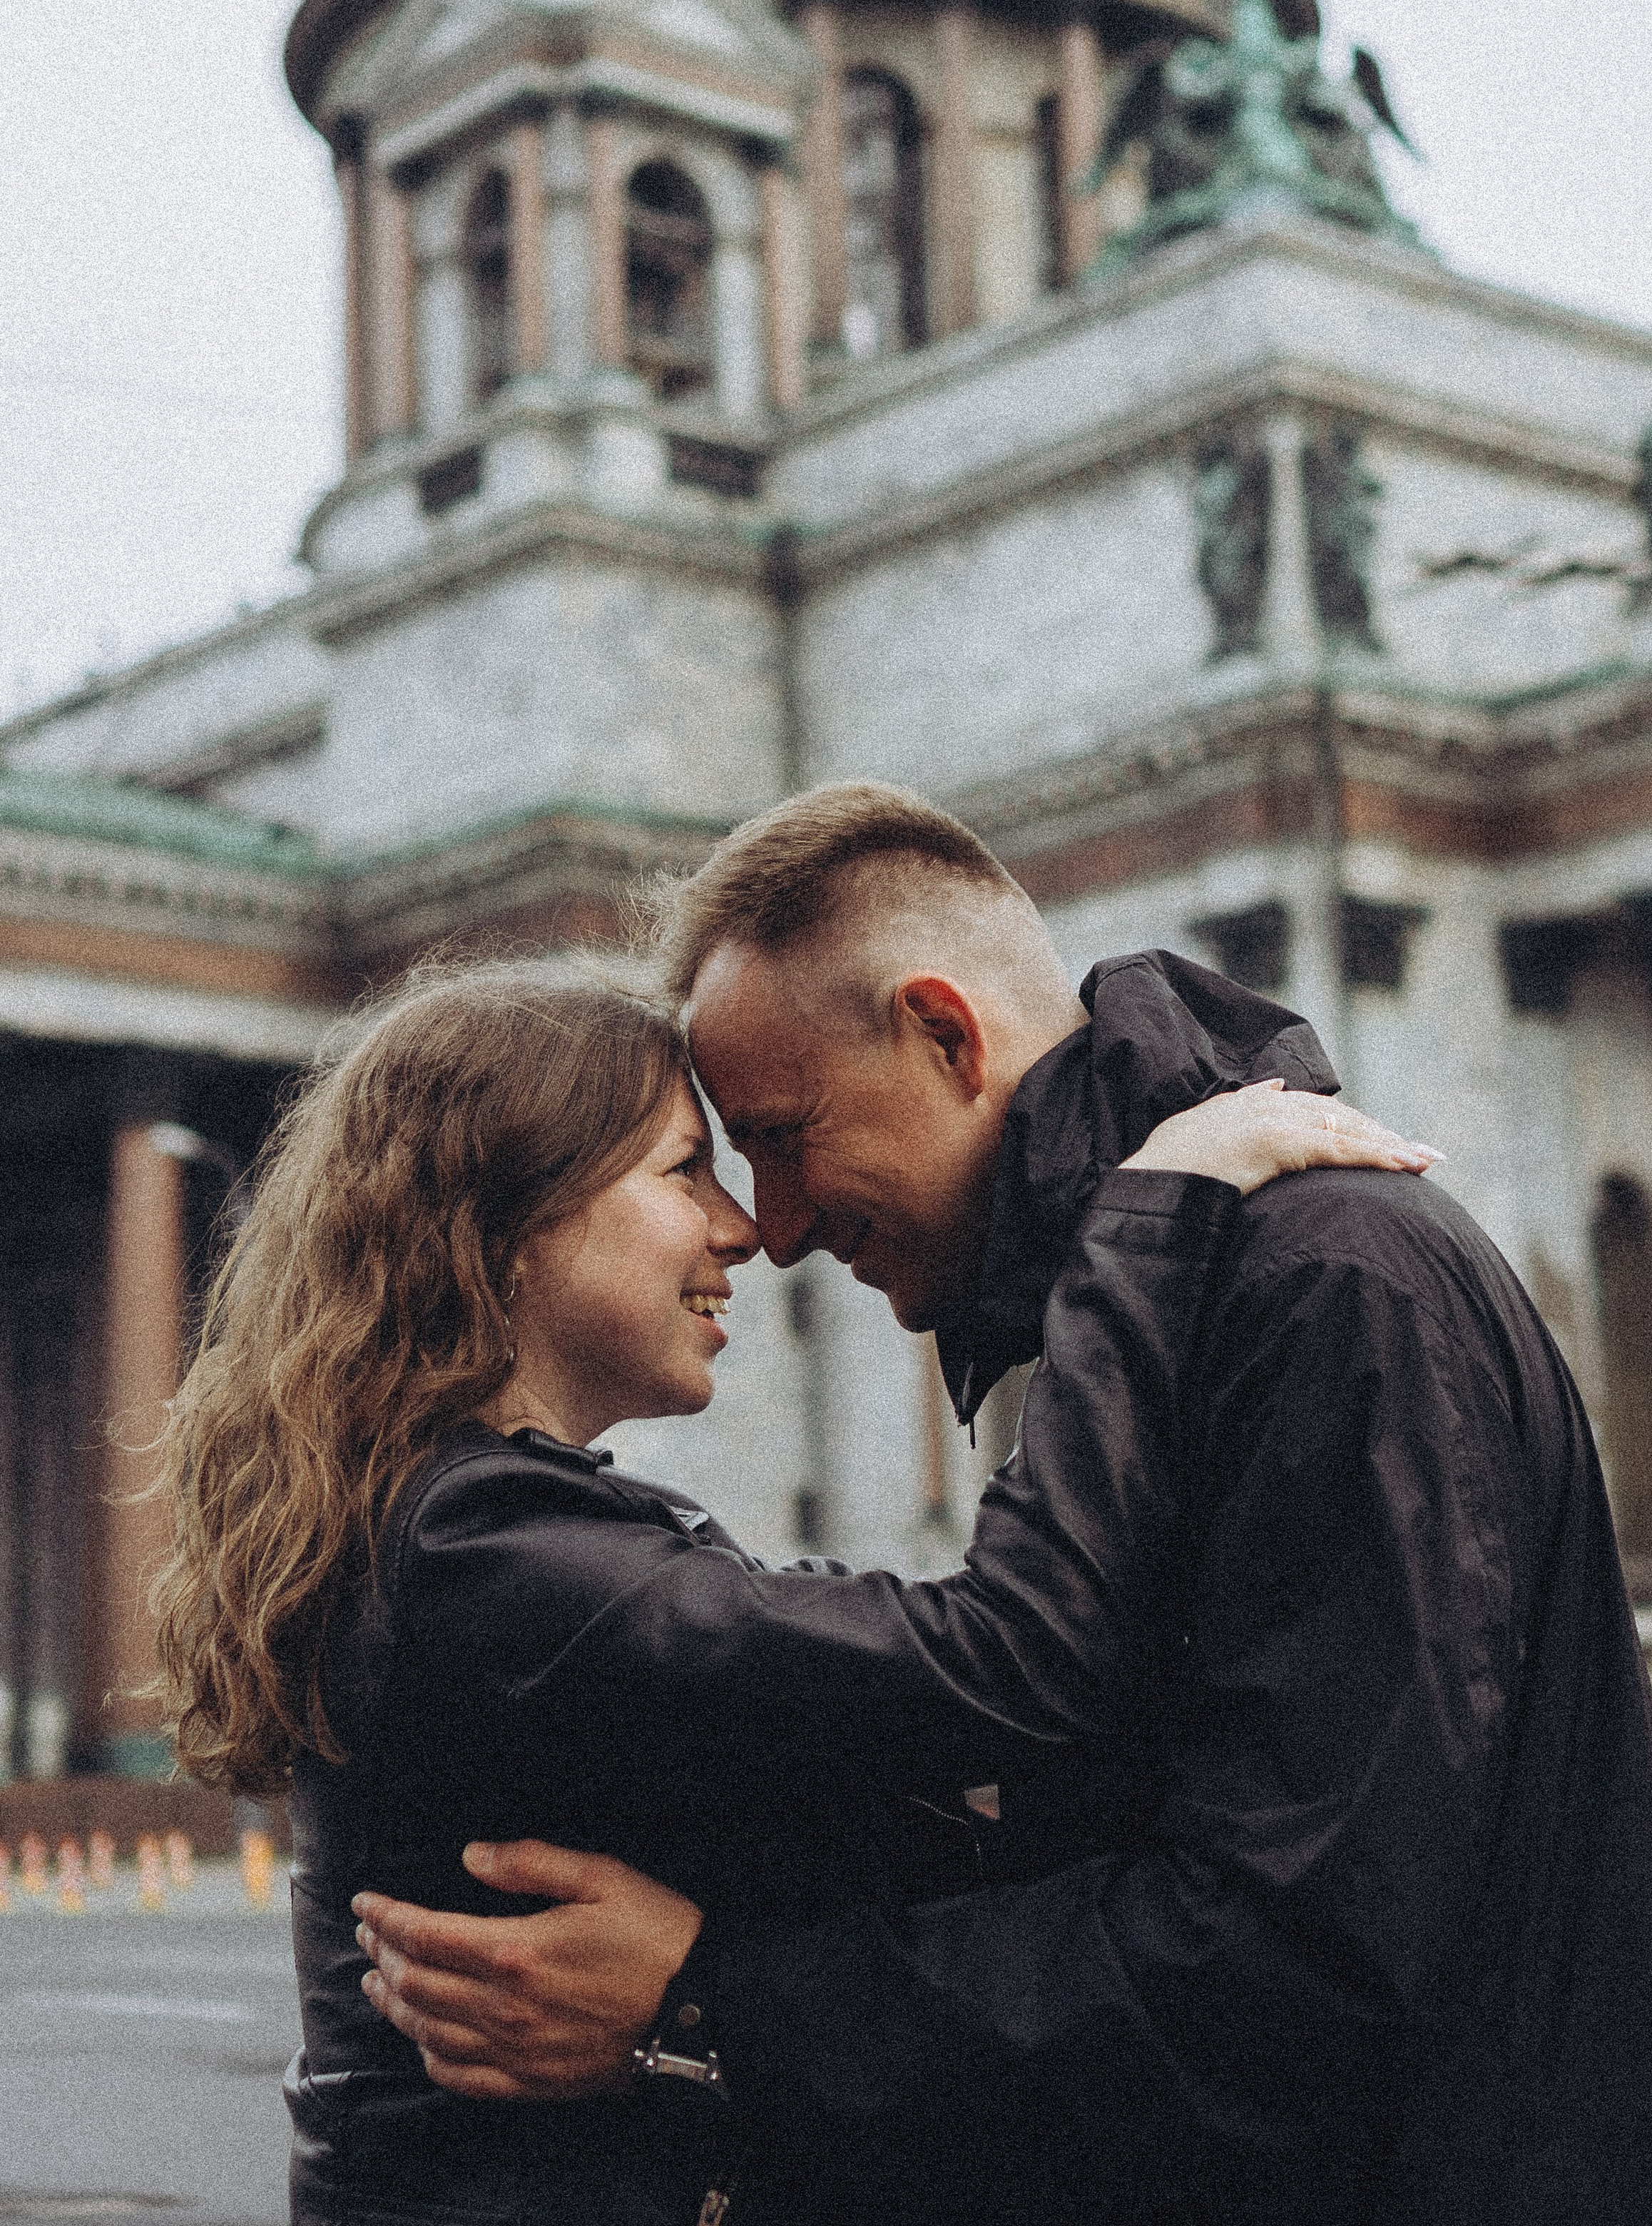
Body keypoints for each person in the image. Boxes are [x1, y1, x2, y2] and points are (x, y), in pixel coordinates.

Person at [357, 784, 1652, 2226]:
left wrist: (720, 2004)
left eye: (781, 1137)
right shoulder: (1166, 1303)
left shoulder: (1321, 1285)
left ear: (945, 1034)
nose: (770, 1228)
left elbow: (1296, 1961)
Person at [154, 950, 1427, 2226]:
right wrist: (1152, 1225)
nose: (743, 1230)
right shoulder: (475, 1552)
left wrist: (695, 1989)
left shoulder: (483, 1533)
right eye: (682, 1168)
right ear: (505, 1221)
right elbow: (1005, 1656)